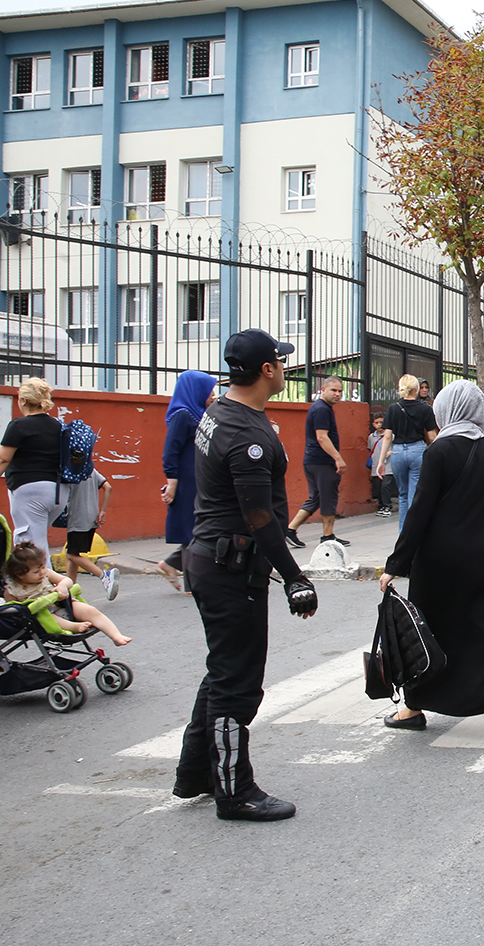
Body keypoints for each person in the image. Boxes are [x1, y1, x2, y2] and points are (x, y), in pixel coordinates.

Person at [173, 328, 319, 822]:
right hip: (230, 565)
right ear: (267, 371)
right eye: (280, 361)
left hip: (213, 558)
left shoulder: (221, 413)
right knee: (238, 683)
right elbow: (259, 517)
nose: (285, 368)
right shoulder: (247, 434)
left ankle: (195, 772)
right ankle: (235, 791)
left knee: (223, 669)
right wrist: (296, 576)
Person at [379, 379, 484, 741]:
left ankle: (413, 707)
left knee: (429, 631)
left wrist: (395, 565)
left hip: (439, 563)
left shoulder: (438, 452)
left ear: (446, 409)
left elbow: (419, 514)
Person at [5, 541, 131, 645]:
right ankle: (72, 626)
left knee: (90, 611)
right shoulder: (12, 589)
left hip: (61, 603)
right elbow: (12, 608)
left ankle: (116, 636)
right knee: (45, 616)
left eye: (43, 567)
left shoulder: (46, 574)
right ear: (20, 575)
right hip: (43, 614)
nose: (42, 572)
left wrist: (62, 586)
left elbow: (67, 580)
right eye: (36, 571)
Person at [160, 370, 217, 591]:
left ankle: (171, 565)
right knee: (190, 529)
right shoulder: (182, 415)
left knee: (198, 528)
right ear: (196, 390)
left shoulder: (200, 413)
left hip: (200, 479)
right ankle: (192, 584)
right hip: (185, 481)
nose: (213, 394)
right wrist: (172, 482)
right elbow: (170, 451)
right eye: (208, 389)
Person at [0, 377, 64, 549]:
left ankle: (44, 576)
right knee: (37, 538)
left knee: (31, 546)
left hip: (29, 490)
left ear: (23, 400)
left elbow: (3, 459)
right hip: (58, 492)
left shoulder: (19, 425)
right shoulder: (58, 425)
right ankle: (43, 575)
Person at [286, 376, 348, 549]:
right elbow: (322, 437)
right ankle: (328, 536)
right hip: (322, 461)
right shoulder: (321, 409)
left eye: (340, 391)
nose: (337, 394)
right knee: (328, 496)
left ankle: (290, 529)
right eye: (333, 390)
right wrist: (338, 458)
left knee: (317, 497)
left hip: (313, 460)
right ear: (323, 390)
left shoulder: (323, 408)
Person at [374, 374, 439, 531]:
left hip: (397, 452)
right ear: (416, 389)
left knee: (402, 495)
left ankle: (403, 532)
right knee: (414, 495)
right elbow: (432, 436)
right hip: (417, 450)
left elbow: (387, 437)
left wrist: (381, 462)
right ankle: (414, 532)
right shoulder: (425, 409)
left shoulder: (393, 408)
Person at [64, 468, 117, 601]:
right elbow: (108, 487)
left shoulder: (69, 471)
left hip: (77, 517)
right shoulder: (90, 469)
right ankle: (71, 590)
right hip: (91, 517)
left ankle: (104, 575)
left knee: (71, 554)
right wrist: (103, 511)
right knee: (72, 553)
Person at [367, 415, 396, 518]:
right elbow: (370, 449)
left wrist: (391, 452)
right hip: (376, 466)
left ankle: (388, 506)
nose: (379, 425)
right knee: (378, 486)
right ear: (373, 424)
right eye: (377, 423)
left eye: (381, 422)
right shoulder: (372, 437)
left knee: (385, 486)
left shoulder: (390, 435)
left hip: (388, 465)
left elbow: (396, 447)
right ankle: (381, 506)